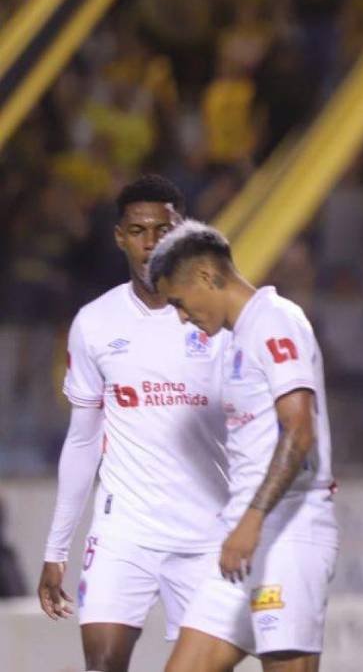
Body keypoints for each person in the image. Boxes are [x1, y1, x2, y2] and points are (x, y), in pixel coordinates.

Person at [37, 176, 229, 672]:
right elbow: (82, 440)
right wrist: (57, 548)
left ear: (181, 231)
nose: (150, 244)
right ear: (119, 236)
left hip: (207, 532)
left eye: (162, 230)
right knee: (102, 665)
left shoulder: (221, 320)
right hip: (126, 528)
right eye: (138, 231)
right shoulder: (95, 324)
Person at [148, 221, 338, 672]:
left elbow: (300, 429)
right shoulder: (237, 338)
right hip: (242, 533)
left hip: (286, 529)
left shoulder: (276, 320)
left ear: (207, 278)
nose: (181, 315)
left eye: (178, 301)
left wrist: (252, 521)